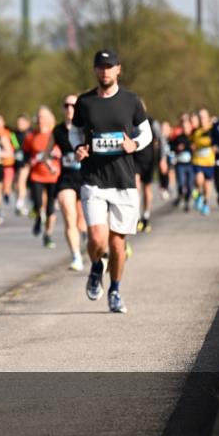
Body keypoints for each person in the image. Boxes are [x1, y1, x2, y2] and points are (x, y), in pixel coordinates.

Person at [70, 49, 152, 314]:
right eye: (100, 67)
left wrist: (134, 143)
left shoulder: (131, 101)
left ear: (118, 69)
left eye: (110, 67)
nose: (105, 71)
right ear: (94, 70)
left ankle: (115, 290)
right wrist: (78, 149)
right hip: (94, 179)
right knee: (96, 237)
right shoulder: (85, 102)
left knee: (117, 244)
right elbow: (75, 132)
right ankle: (96, 268)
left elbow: (147, 133)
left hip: (123, 181)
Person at [49, 94, 87, 270]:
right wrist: (50, 164)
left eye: (73, 105)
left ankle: (91, 240)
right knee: (69, 217)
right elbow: (44, 154)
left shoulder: (86, 128)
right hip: (66, 179)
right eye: (66, 105)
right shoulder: (57, 131)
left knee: (82, 222)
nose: (70, 108)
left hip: (86, 178)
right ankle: (76, 257)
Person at [24, 106, 60, 249]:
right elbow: (25, 155)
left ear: (50, 118)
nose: (40, 120)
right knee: (39, 204)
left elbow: (65, 150)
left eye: (43, 116)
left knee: (51, 208)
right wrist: (29, 161)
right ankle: (39, 217)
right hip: (36, 176)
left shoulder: (55, 134)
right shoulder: (30, 136)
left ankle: (48, 234)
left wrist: (58, 153)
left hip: (53, 176)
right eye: (38, 117)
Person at [133, 104, 163, 233]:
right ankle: (137, 217)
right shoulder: (130, 122)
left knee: (147, 189)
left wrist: (162, 159)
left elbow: (161, 141)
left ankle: (146, 216)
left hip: (149, 160)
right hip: (134, 161)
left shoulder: (152, 122)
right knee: (136, 187)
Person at [191, 108, 215, 215]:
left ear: (208, 117)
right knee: (199, 179)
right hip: (198, 161)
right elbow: (191, 142)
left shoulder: (213, 130)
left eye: (204, 116)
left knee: (207, 185)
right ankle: (198, 195)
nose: (202, 119)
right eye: (200, 117)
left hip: (209, 162)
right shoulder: (195, 131)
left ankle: (205, 203)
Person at [171, 114, 195, 212]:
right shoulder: (178, 137)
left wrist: (188, 148)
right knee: (181, 183)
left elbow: (194, 147)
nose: (185, 129)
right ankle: (180, 194)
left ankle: (187, 202)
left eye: (187, 127)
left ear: (190, 127)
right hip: (180, 164)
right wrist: (177, 148)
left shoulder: (193, 138)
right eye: (183, 127)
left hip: (190, 165)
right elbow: (171, 146)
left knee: (189, 185)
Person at [12, 115, 31, 215]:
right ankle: (21, 203)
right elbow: (15, 146)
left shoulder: (30, 133)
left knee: (22, 180)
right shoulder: (14, 134)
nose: (19, 125)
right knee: (16, 184)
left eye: (22, 123)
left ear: (27, 123)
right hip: (17, 162)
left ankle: (21, 202)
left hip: (27, 161)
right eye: (18, 123)